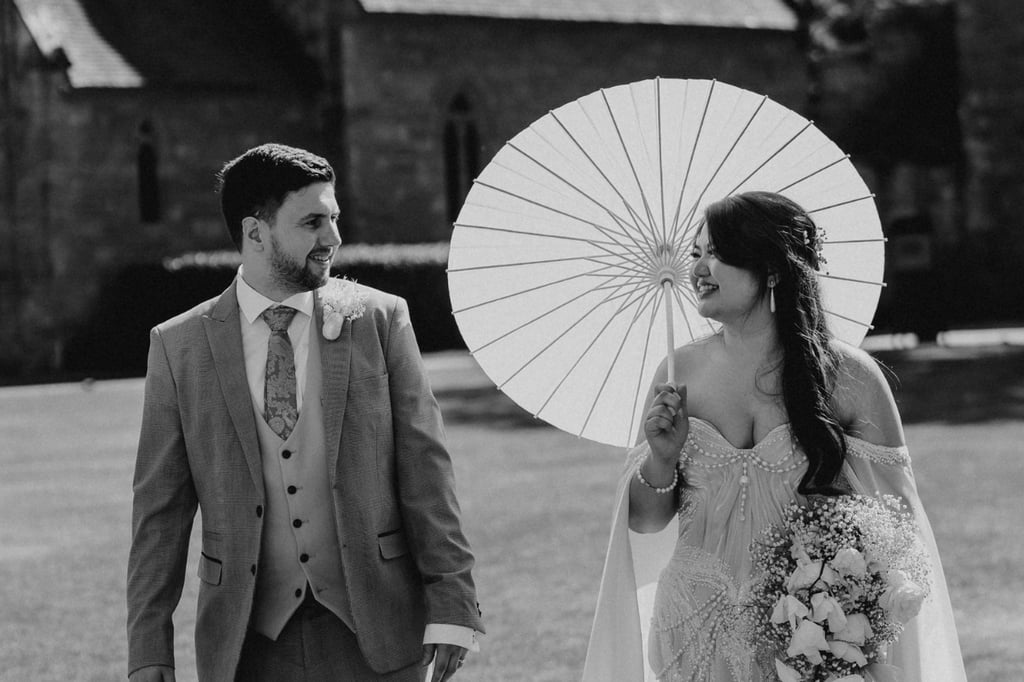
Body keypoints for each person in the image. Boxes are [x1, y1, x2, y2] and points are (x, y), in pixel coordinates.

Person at [127, 143, 483, 682]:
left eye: (334, 218)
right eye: (313, 221)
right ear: (255, 232)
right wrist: (148, 647)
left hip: (379, 632)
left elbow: (427, 470)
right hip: (247, 646)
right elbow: (160, 511)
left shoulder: (381, 320)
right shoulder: (178, 347)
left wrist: (453, 602)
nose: (333, 237)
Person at [583, 191, 966, 681]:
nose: (697, 268)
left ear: (771, 268)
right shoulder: (678, 373)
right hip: (692, 627)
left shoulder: (850, 377)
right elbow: (646, 520)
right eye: (696, 253)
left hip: (808, 636)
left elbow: (897, 533)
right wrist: (661, 457)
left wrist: (840, 609)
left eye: (717, 253)